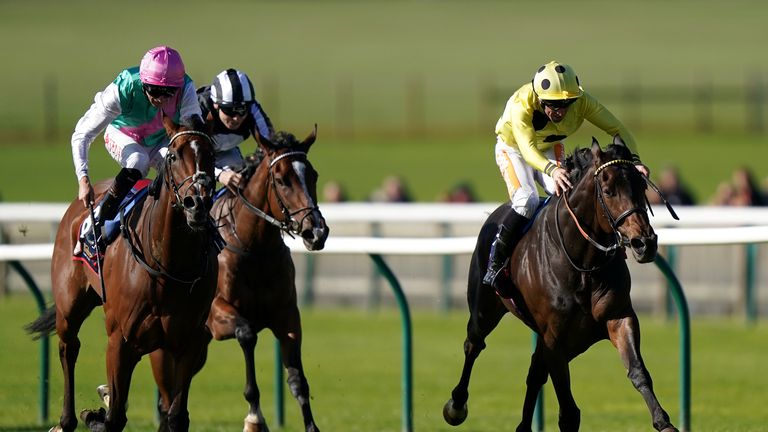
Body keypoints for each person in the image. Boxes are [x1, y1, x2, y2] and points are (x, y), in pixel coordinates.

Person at [483, 61, 649, 289]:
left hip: (549, 147)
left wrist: (636, 162)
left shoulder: (583, 101)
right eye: (553, 104)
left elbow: (618, 129)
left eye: (567, 103)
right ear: (540, 99)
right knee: (526, 201)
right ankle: (496, 261)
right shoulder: (522, 104)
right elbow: (528, 149)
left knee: (567, 193)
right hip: (515, 149)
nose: (560, 111)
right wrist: (552, 169)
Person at [71, 46, 204, 254]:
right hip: (122, 134)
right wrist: (83, 178)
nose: (161, 99)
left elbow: (193, 134)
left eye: (169, 92)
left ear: (178, 87)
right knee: (138, 161)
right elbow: (83, 134)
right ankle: (97, 221)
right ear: (143, 82)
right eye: (154, 90)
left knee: (177, 167)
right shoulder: (124, 87)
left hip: (160, 139)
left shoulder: (186, 89)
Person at [197, 68, 273, 190]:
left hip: (225, 151)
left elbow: (270, 145)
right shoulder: (199, 110)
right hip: (192, 153)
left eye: (242, 111)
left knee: (242, 183)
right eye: (229, 110)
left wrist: (255, 162)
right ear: (216, 104)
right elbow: (187, 155)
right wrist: (219, 174)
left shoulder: (252, 109)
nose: (236, 118)